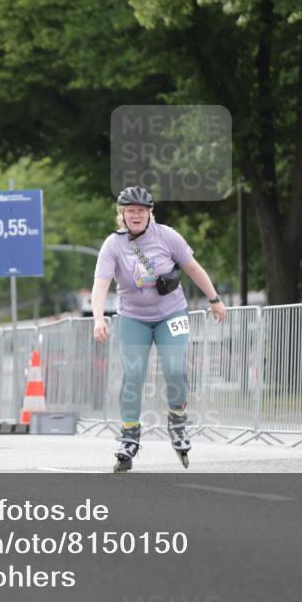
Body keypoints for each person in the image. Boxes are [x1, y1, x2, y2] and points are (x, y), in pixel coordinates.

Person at [92, 186, 226, 472]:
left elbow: (193, 268)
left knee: (175, 369)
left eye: (141, 211)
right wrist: (98, 318)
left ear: (150, 213)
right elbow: (101, 284)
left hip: (171, 314)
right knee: (134, 375)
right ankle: (129, 436)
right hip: (133, 318)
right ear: (122, 215)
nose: (136, 215)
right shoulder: (113, 245)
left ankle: (177, 420)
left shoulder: (167, 236)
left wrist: (214, 299)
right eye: (130, 211)